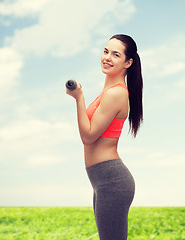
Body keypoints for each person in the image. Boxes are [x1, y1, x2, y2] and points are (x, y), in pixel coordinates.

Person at [66, 34, 143, 240]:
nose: (107, 57)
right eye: (106, 51)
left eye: (115, 54)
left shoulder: (116, 93)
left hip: (112, 181)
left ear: (128, 62)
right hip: (102, 180)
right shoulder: (108, 92)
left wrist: (79, 97)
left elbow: (89, 136)